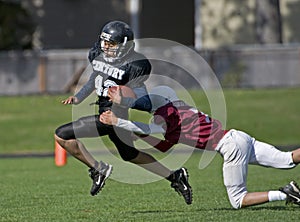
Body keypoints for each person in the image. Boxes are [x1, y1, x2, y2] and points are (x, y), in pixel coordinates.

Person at [54, 21, 192, 204]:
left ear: (125, 45)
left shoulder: (136, 64)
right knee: (130, 155)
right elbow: (96, 77)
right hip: (109, 115)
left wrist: (124, 101)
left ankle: (98, 169)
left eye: (111, 44)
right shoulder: (98, 54)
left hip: (113, 117)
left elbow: (142, 101)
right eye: (104, 42)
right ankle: (175, 176)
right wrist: (79, 96)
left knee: (61, 135)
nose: (105, 47)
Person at [100, 85, 300, 209]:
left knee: (238, 200)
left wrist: (119, 119)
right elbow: (162, 145)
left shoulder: (168, 116)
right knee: (288, 159)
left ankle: (286, 194)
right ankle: (290, 192)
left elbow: (149, 127)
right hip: (239, 137)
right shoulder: (181, 109)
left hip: (230, 146)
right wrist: (134, 129)